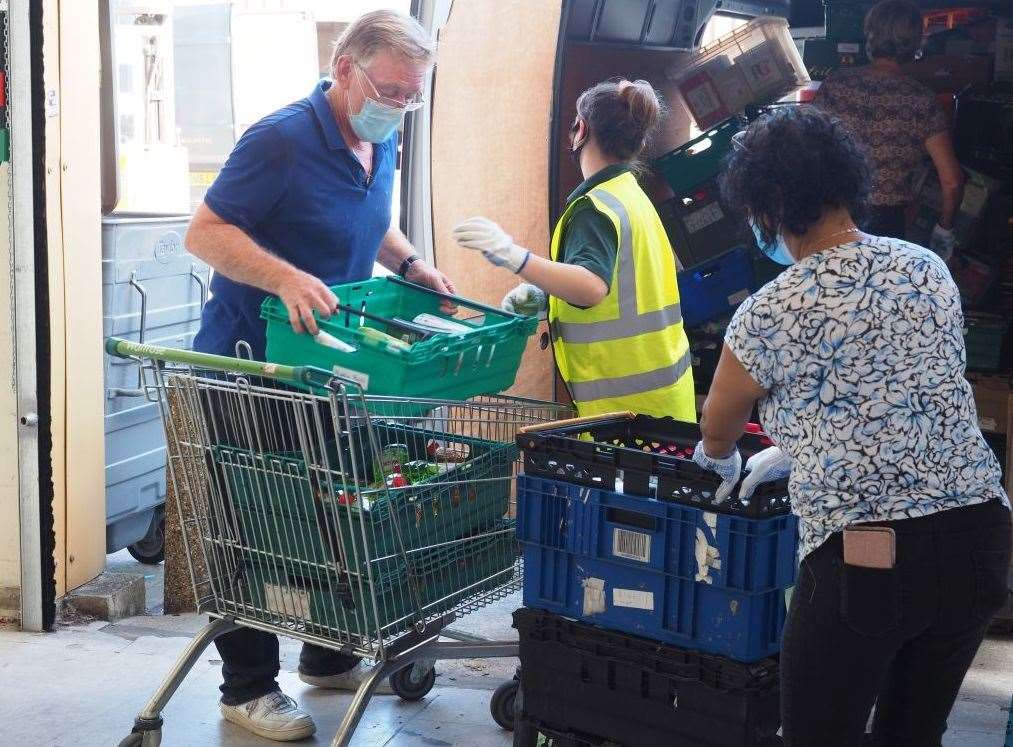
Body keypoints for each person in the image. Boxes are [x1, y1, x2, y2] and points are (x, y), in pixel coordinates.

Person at [691, 106, 1010, 746]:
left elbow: (718, 429)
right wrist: (804, 443)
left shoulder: (767, 312)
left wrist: (725, 459)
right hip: (982, 539)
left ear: (773, 201)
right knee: (912, 732)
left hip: (871, 556)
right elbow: (897, 386)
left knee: (818, 733)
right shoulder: (926, 268)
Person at [184, 11, 454, 742]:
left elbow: (368, 216)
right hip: (254, 365)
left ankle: (326, 651)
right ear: (344, 69)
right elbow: (204, 230)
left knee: (332, 511)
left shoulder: (378, 135)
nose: (397, 105)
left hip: (332, 370)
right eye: (389, 90)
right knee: (259, 521)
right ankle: (245, 686)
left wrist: (407, 262)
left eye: (410, 96)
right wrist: (286, 279)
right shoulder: (280, 140)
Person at [452, 79, 695, 421]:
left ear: (581, 130)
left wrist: (514, 257)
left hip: (625, 418)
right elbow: (626, 284)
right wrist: (548, 294)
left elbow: (592, 286)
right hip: (666, 403)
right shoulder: (630, 196)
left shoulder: (593, 209)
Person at [813, 0, 965, 258]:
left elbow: (807, 152)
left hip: (832, 218)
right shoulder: (922, 100)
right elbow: (951, 182)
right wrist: (944, 229)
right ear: (916, 43)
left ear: (870, 35)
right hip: (887, 225)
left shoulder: (835, 86)